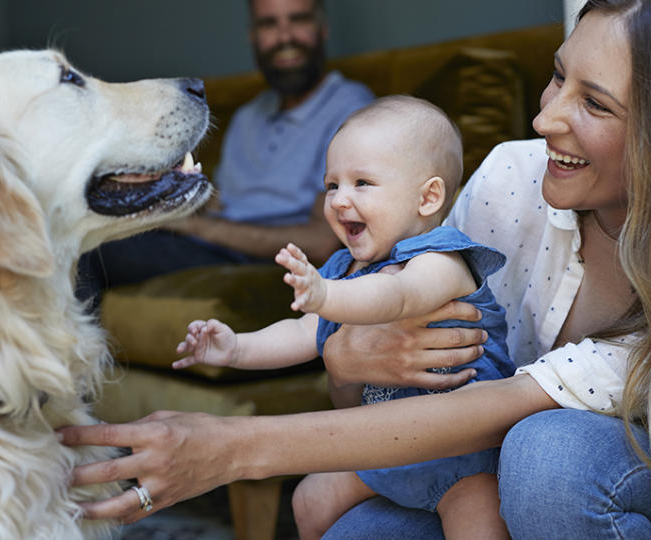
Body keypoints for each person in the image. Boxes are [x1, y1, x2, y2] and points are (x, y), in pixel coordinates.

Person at [61, 1, 651, 538]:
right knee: (355, 530)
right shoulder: (509, 180)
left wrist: (229, 450)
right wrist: (347, 356)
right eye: (558, 77)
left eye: (593, 103)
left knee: (550, 457)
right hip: (486, 465)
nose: (545, 118)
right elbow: (388, 389)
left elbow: (493, 413)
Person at [173, 96, 515, 539]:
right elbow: (301, 333)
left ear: (427, 197)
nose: (339, 200)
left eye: (362, 183)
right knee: (308, 499)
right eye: (331, 185)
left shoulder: (443, 260)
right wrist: (235, 347)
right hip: (384, 450)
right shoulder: (344, 269)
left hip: (463, 459)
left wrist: (327, 294)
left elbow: (395, 296)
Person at [75, 0, 374, 303]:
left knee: (91, 251)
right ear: (253, 37)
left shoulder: (351, 109)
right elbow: (219, 203)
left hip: (264, 262)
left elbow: (323, 242)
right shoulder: (247, 116)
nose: (284, 37)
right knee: (86, 232)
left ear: (322, 29)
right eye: (269, 24)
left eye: (298, 19)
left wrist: (191, 225)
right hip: (208, 247)